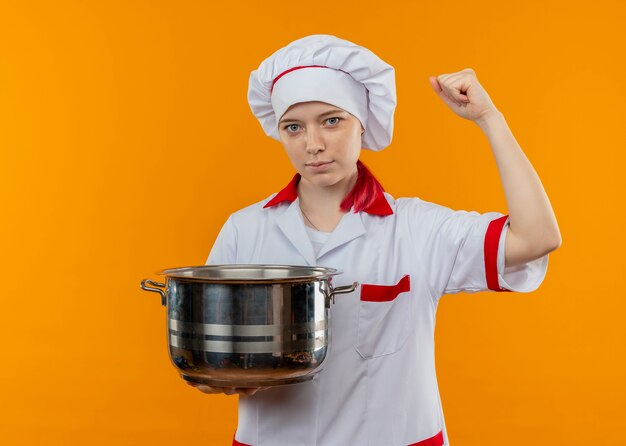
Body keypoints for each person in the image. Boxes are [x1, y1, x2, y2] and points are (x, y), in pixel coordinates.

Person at [187, 34, 562, 446]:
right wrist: (216, 376)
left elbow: (536, 236)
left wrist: (490, 118)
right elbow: (214, 348)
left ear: (362, 123)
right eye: (293, 127)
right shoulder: (244, 230)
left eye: (332, 120)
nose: (313, 144)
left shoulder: (417, 228)